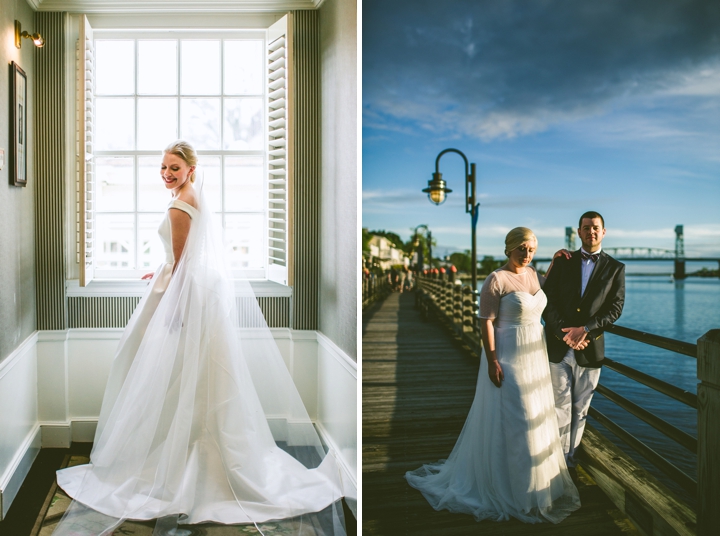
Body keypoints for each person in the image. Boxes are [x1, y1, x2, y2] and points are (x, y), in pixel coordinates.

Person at [53, 141, 345, 535]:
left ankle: (181, 465)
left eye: (174, 167)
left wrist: (172, 312)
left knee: (159, 373)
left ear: (191, 168)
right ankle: (198, 457)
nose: (166, 174)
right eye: (162, 167)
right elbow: (182, 258)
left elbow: (183, 262)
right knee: (197, 382)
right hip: (195, 292)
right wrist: (160, 271)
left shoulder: (179, 204)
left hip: (184, 297)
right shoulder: (191, 197)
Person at [406, 228, 580, 524]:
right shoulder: (496, 279)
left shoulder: (535, 275)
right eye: (522, 248)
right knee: (517, 417)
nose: (526, 254)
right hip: (509, 355)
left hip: (534, 355)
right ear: (509, 247)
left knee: (535, 414)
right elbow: (485, 322)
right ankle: (510, 488)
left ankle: (532, 486)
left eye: (532, 250)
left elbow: (546, 293)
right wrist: (492, 360)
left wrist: (553, 262)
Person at [542, 211, 625, 474]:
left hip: (590, 350)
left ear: (603, 232)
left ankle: (570, 459)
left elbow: (615, 308)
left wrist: (585, 330)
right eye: (586, 227)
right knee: (559, 405)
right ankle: (557, 463)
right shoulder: (563, 261)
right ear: (578, 232)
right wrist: (564, 333)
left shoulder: (616, 268)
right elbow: (547, 299)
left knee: (580, 409)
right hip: (558, 345)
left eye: (596, 228)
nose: (591, 232)